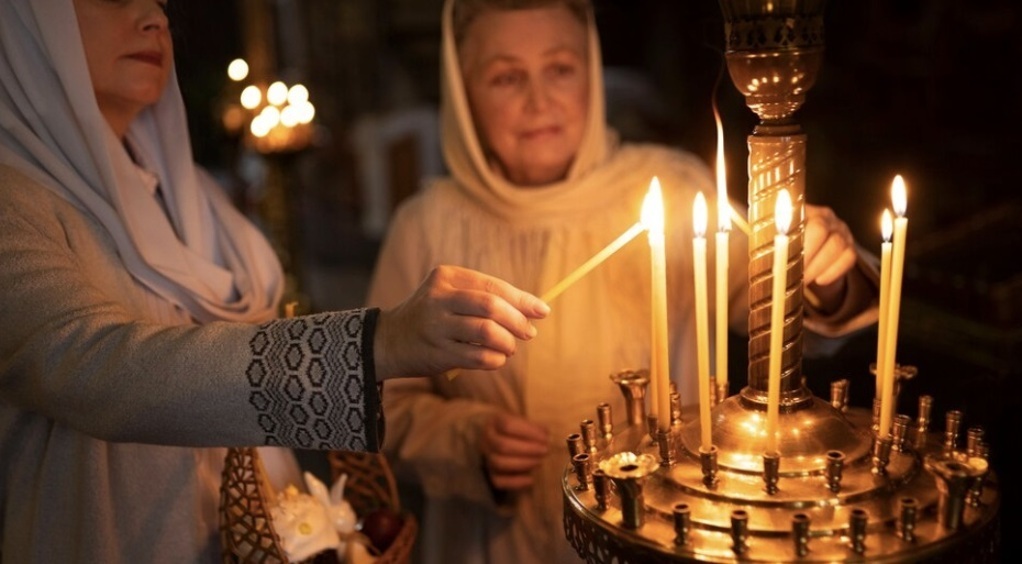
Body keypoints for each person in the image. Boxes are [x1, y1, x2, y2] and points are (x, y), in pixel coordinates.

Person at [0, 0, 551, 562]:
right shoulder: (13, 205)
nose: (155, 17)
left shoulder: (194, 193)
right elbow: (98, 368)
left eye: (161, 1)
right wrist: (377, 343)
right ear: (27, 19)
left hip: (259, 527)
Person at [366, 0, 879, 562]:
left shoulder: (673, 186)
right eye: (506, 77)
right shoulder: (425, 225)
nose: (539, 100)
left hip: (661, 533)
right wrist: (465, 442)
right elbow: (386, 398)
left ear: (592, 71)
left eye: (560, 68)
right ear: (463, 95)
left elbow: (776, 301)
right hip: (496, 544)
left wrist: (820, 269)